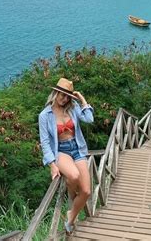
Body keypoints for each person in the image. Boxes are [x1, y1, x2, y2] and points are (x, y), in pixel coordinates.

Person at [38, 77, 94, 235]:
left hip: (77, 149)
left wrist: (82, 100)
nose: (64, 98)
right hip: (61, 151)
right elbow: (45, 143)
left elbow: (89, 119)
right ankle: (71, 198)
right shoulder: (45, 115)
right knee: (74, 176)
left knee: (86, 192)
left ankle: (70, 217)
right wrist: (52, 165)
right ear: (55, 93)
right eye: (62, 94)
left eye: (68, 96)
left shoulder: (73, 107)